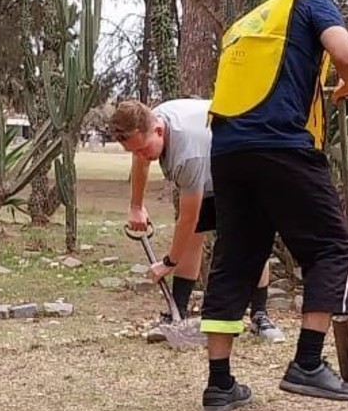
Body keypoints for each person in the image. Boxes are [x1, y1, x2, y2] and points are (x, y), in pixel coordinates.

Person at [199, 0, 348, 411]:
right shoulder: (312, 4)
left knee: (235, 262)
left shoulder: (245, 24)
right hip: (282, 145)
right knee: (332, 248)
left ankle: (219, 385)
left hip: (229, 150)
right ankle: (308, 363)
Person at [109, 97, 286, 344]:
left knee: (249, 241)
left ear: (159, 131)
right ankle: (177, 313)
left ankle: (260, 315)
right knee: (193, 240)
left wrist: (168, 263)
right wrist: (136, 206)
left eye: (143, 149)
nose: (140, 156)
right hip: (214, 159)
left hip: (248, 163)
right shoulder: (151, 119)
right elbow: (141, 161)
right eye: (134, 150)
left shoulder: (187, 157)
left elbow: (188, 218)